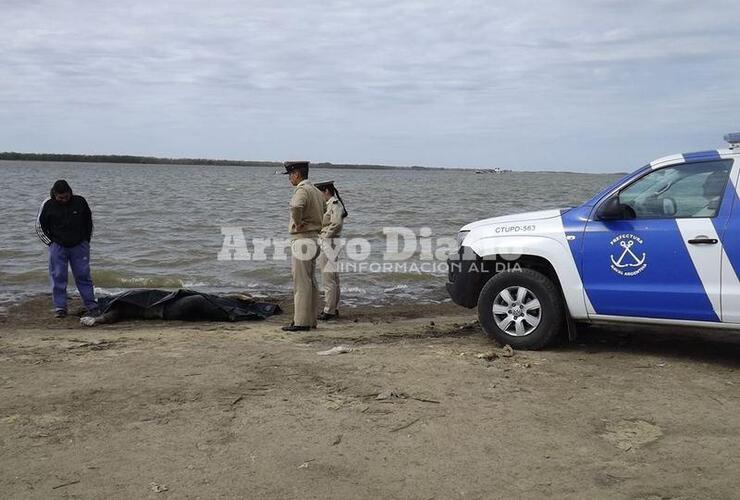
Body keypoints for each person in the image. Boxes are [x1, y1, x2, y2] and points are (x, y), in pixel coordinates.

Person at [36, 180, 98, 318]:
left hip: (79, 245)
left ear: (70, 192)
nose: (63, 200)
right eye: (60, 197)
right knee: (58, 276)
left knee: (83, 276)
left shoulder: (80, 201)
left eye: (66, 197)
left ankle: (91, 305)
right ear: (54, 195)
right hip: (57, 246)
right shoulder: (48, 204)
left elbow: (89, 222)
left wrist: (86, 241)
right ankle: (60, 308)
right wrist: (50, 243)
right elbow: (40, 227)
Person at [282, 161, 325, 332]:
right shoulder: (315, 190)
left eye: (290, 175)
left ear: (297, 174)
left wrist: (298, 222)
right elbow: (324, 210)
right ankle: (311, 320)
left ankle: (301, 322)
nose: (290, 179)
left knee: (301, 283)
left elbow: (296, 206)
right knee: (311, 281)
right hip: (315, 238)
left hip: (302, 239)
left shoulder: (301, 189)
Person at [314, 180, 348, 320]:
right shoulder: (330, 204)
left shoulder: (334, 204)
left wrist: (324, 237)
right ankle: (334, 308)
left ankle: (329, 311)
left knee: (329, 278)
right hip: (332, 242)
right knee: (333, 278)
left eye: (320, 193)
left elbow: (337, 223)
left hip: (329, 243)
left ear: (326, 191)